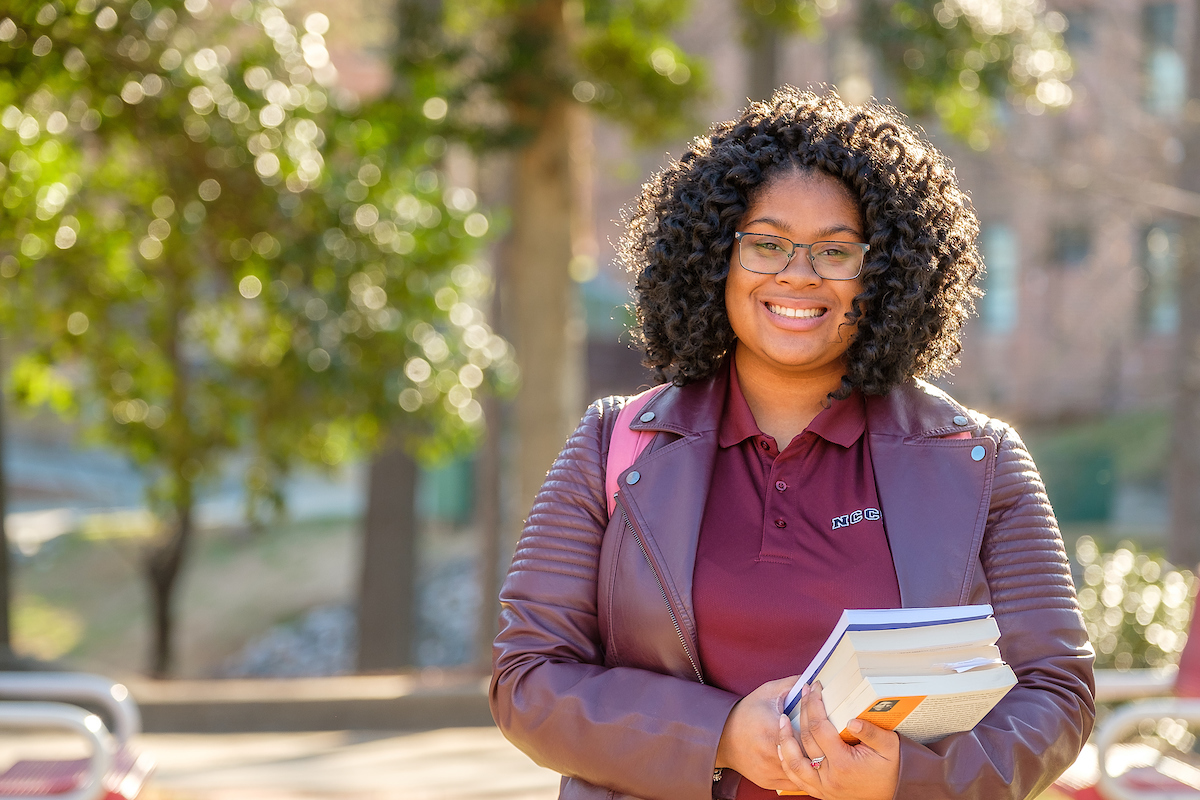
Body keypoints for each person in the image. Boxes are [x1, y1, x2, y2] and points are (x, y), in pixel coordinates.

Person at [490, 88, 1095, 800]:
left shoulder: (979, 461)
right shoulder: (614, 443)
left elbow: (1056, 692)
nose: (798, 275)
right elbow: (528, 679)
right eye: (767, 244)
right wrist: (720, 735)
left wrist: (914, 780)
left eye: (836, 251)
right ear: (717, 256)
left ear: (885, 274)